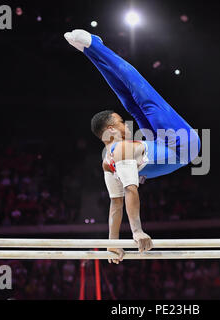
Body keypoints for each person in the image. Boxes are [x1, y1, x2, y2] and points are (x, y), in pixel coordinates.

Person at [64, 30, 201, 264]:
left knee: (131, 103)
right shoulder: (119, 153)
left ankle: (91, 52)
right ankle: (95, 46)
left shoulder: (107, 162)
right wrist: (136, 231)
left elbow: (116, 204)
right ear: (109, 132)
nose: (126, 127)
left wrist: (113, 243)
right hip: (183, 144)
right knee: (140, 91)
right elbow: (128, 192)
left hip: (160, 144)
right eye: (120, 124)